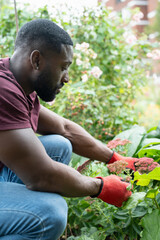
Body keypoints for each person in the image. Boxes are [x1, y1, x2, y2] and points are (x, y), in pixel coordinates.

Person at [0, 19, 136, 240]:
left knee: (60, 145)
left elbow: (65, 128)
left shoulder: (19, 82)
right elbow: (41, 176)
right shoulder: (3, 92)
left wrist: (114, 158)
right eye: (63, 67)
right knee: (49, 213)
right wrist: (101, 187)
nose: (67, 78)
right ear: (36, 60)